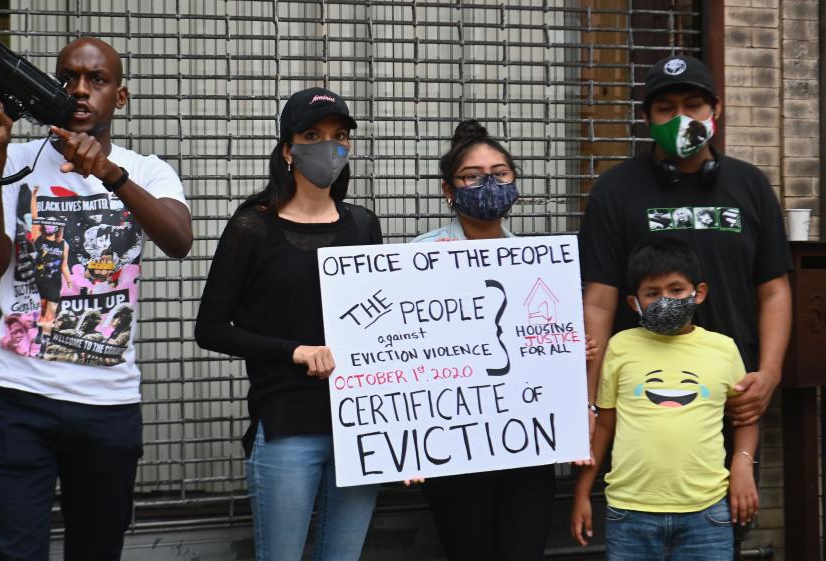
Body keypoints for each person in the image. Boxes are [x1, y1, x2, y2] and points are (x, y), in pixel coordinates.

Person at [0, 36, 193, 561]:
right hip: (18, 399)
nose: (81, 91)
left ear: (122, 96)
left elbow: (179, 240)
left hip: (108, 406)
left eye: (98, 80)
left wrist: (111, 175)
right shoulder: (15, 158)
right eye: (68, 78)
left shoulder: (150, 170)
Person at [194, 88, 382, 561]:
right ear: (287, 149)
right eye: (312, 135)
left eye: (340, 136)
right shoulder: (252, 226)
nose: (329, 146)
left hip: (361, 427)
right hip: (286, 427)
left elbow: (385, 322)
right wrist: (293, 351)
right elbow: (211, 327)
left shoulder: (363, 226)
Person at [579, 55, 792, 443]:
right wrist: (589, 400)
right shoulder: (614, 191)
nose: (681, 118)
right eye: (666, 109)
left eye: (693, 106)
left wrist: (770, 373)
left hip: (732, 394)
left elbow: (774, 289)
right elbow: (598, 301)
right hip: (641, 397)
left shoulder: (751, 186)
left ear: (716, 109)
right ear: (647, 118)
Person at [409, 120, 555, 561]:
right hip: (453, 447)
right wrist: (408, 441)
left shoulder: (539, 265)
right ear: (448, 190)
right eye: (472, 176)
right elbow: (401, 353)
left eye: (501, 172)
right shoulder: (419, 258)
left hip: (526, 449)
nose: (489, 183)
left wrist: (568, 348)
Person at [571, 237, 759, 560]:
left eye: (676, 290)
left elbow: (746, 415)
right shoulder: (620, 347)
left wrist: (742, 464)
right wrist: (582, 493)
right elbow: (604, 424)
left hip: (707, 514)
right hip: (630, 513)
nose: (665, 300)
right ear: (634, 303)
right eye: (653, 293)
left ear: (698, 293)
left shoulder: (723, 349)